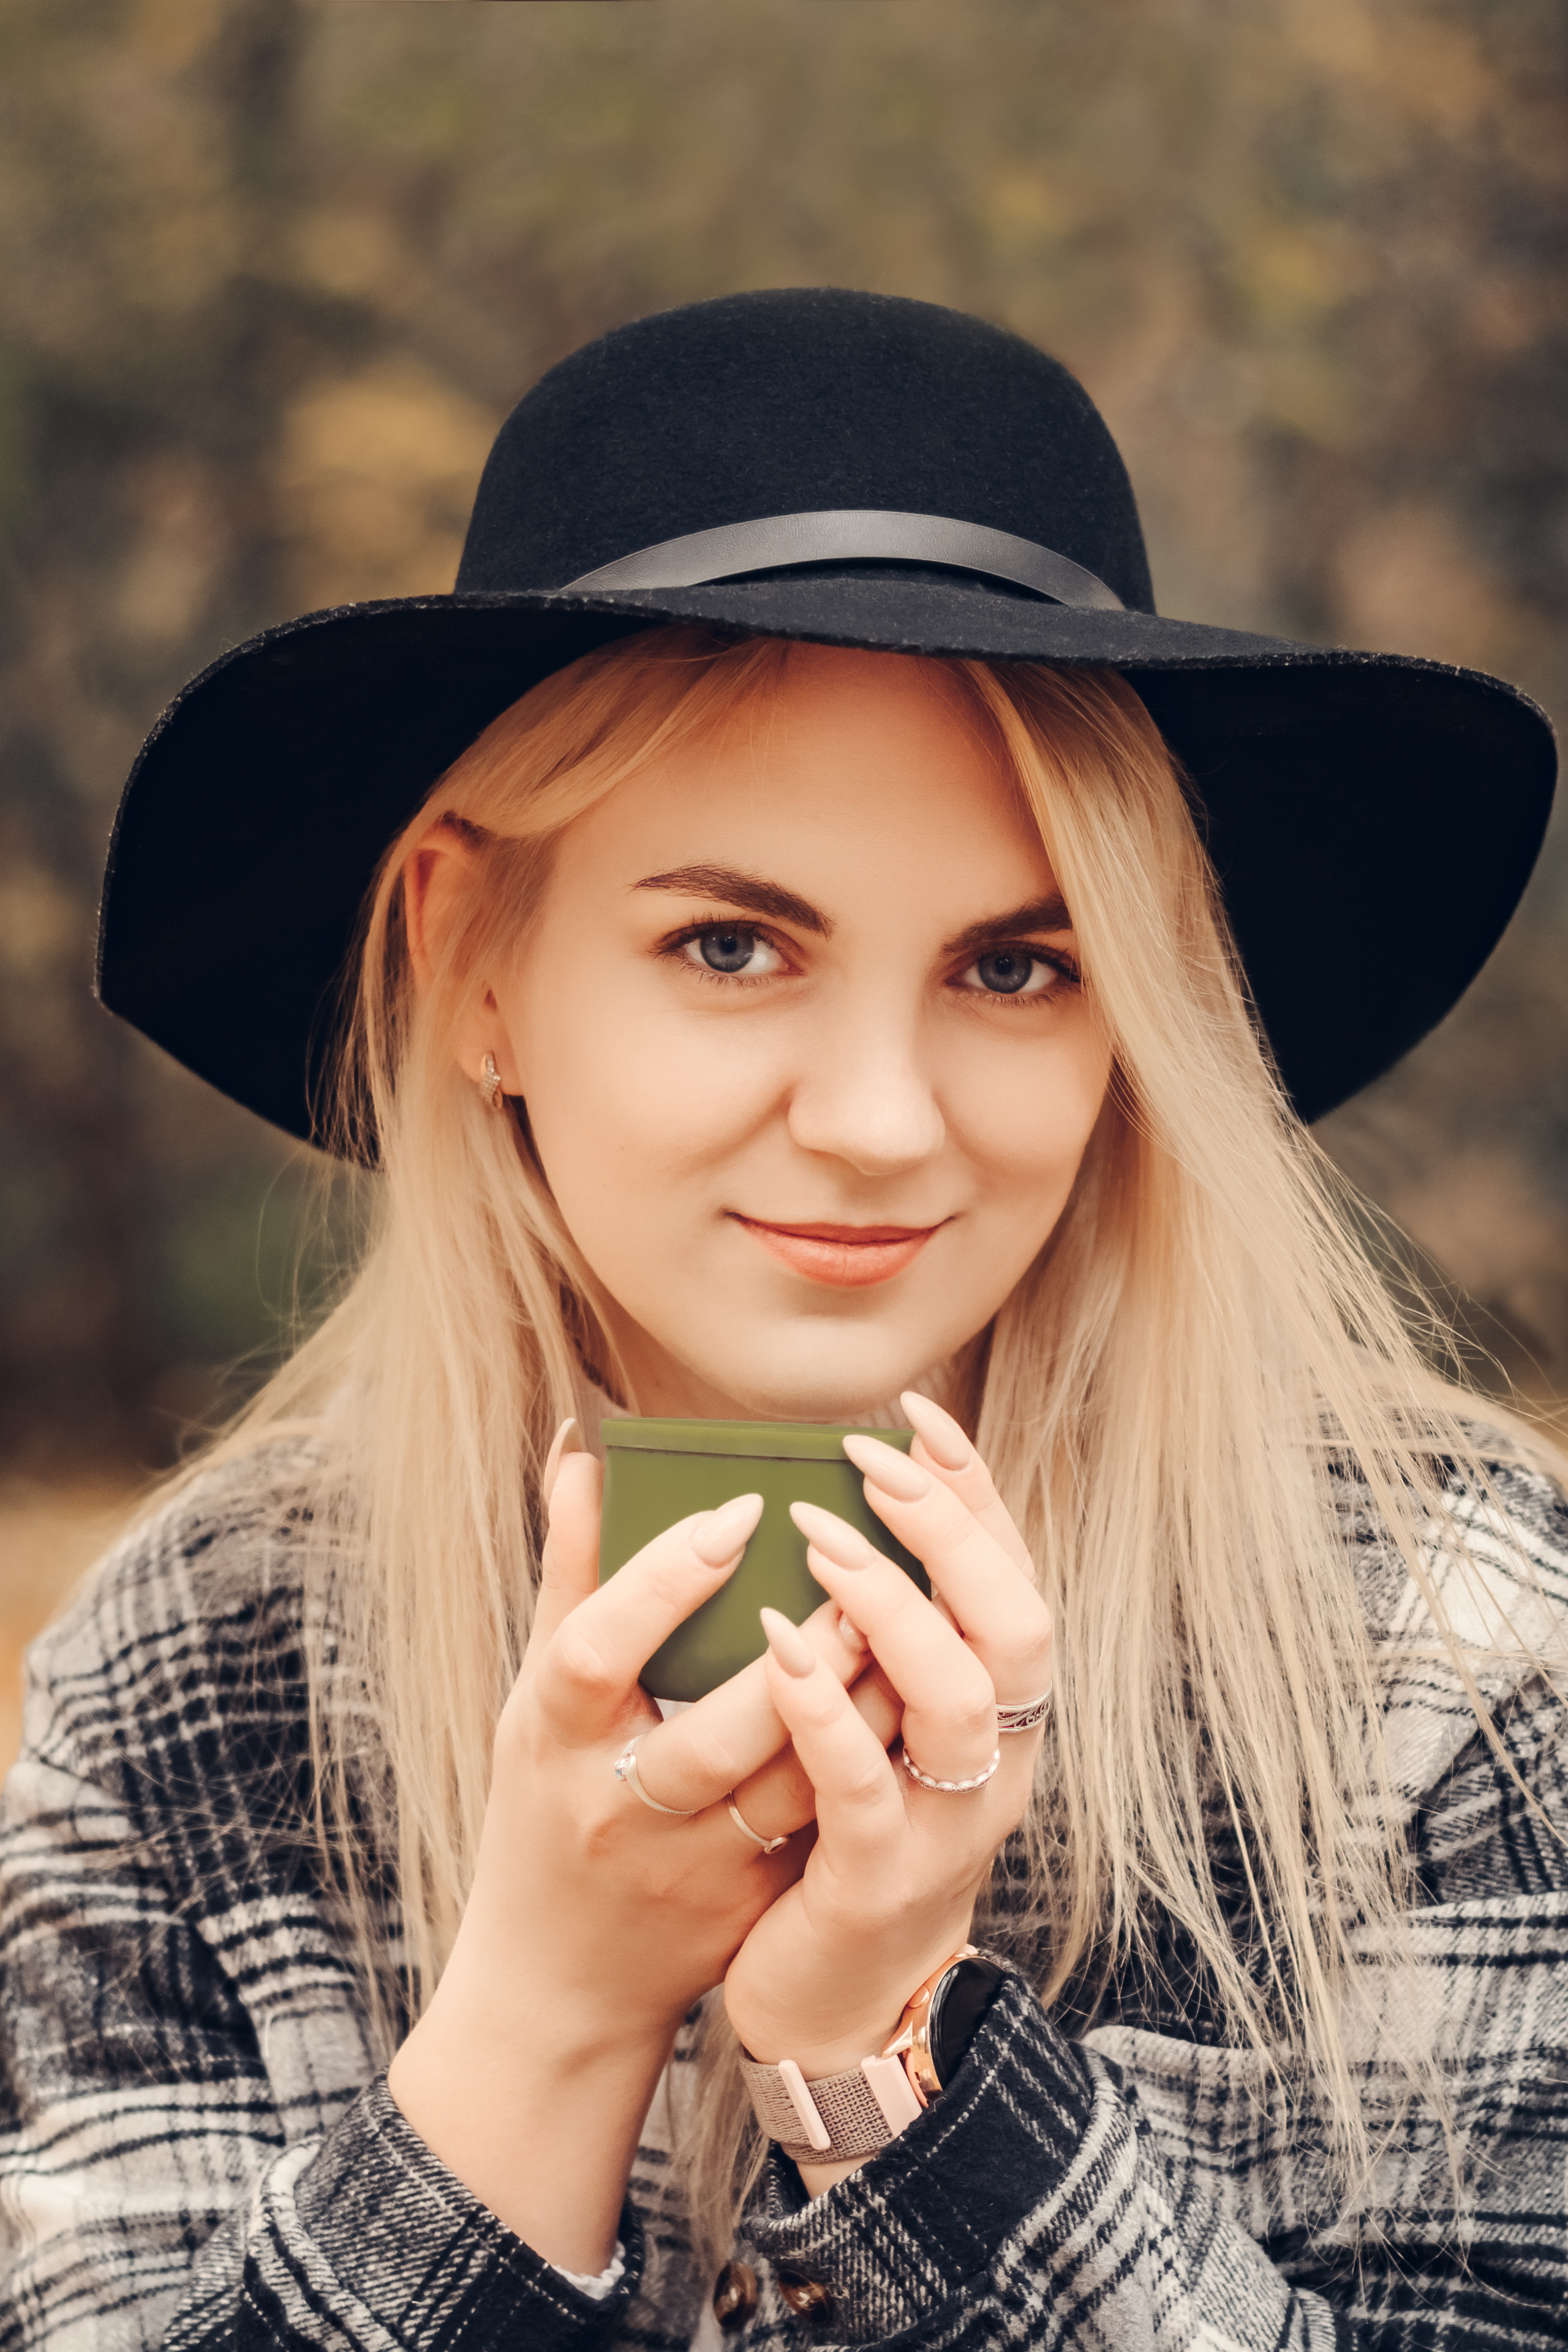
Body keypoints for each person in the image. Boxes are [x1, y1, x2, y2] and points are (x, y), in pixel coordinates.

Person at [1, 290, 1564, 2352]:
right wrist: (542, 2024)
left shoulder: (1447, 1652)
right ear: (470, 959)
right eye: (733, 944)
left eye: (1019, 967)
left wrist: (894, 2075)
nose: (879, 1122)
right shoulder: (198, 1682)